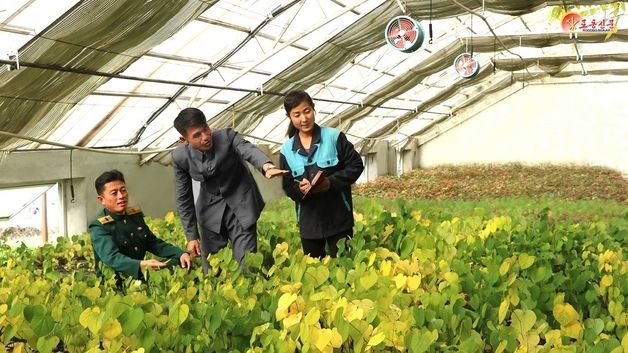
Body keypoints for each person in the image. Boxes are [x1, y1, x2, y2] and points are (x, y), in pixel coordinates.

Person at [172, 107, 287, 272]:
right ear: (184, 139)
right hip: (210, 213)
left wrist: (266, 166)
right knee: (212, 269)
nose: (205, 137)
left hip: (241, 206)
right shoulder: (180, 157)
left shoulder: (226, 136)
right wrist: (191, 236)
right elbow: (184, 197)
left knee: (248, 265)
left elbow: (247, 149)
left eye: (205, 129)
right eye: (197, 135)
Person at [279, 90, 364, 258]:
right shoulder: (286, 150)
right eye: (297, 115)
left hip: (339, 218)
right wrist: (300, 189)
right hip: (309, 224)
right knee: (314, 273)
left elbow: (356, 165)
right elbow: (288, 186)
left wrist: (331, 183)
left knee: (345, 269)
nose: (304, 119)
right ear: (289, 116)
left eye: (307, 111)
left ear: (313, 109)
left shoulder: (334, 137)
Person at [89, 170, 191, 282]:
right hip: (116, 282)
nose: (121, 196)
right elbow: (112, 258)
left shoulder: (134, 215)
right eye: (114, 193)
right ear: (101, 200)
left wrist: (180, 253)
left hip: (141, 276)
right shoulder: (99, 226)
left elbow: (152, 243)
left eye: (123, 190)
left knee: (181, 261)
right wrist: (141, 264)